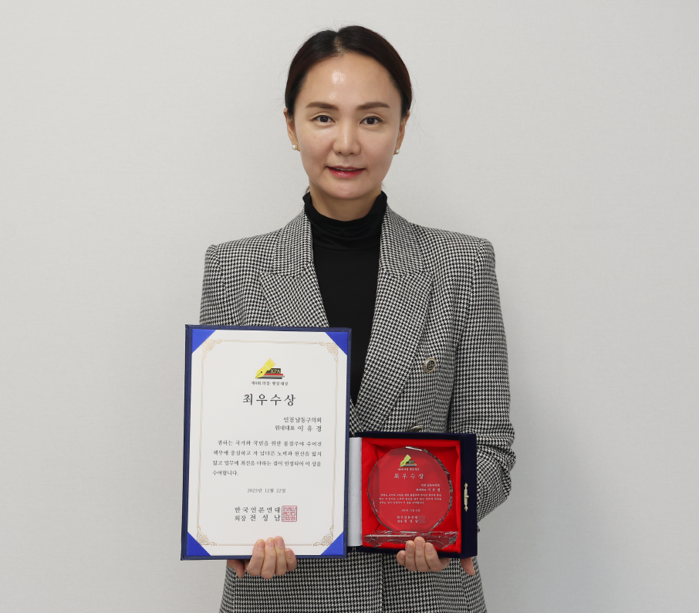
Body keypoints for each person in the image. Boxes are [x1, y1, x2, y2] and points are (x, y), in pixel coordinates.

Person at [199, 24, 516, 613]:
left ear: (401, 130)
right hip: (282, 591)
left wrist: (448, 514)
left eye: (371, 119)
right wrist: (233, 535)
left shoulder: (462, 265)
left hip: (421, 592)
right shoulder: (235, 269)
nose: (346, 143)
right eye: (323, 117)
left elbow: (492, 447)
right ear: (291, 127)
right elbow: (222, 455)